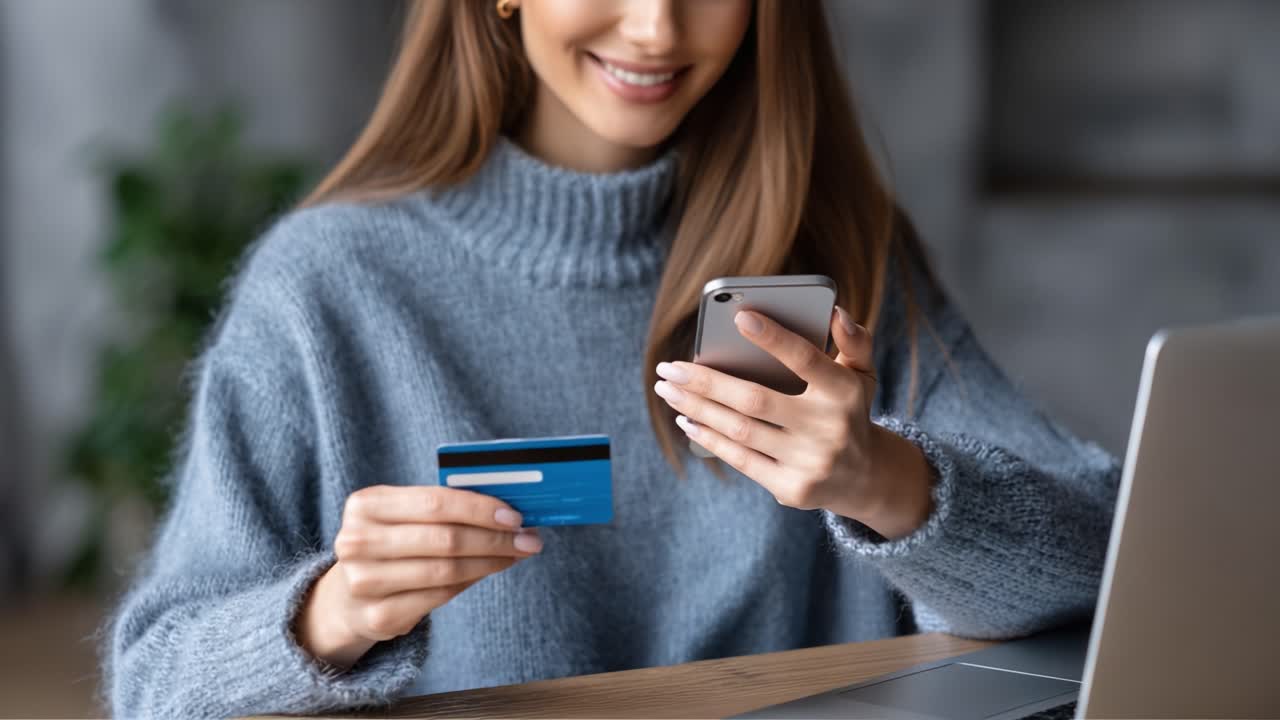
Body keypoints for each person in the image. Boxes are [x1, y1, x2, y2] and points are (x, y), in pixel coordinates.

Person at [104, 0, 1120, 716]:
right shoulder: (327, 287)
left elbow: (1108, 553)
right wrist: (329, 614)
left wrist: (886, 480)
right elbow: (155, 687)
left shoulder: (840, 255)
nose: (656, 27)